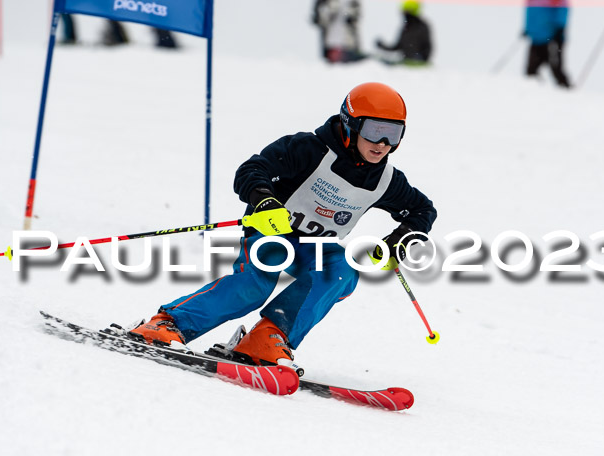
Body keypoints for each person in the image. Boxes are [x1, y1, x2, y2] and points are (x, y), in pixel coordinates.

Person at [129, 83, 437, 366]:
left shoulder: (385, 180)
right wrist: (264, 199)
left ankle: (266, 338)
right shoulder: (308, 149)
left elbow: (422, 210)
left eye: (394, 134)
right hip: (272, 232)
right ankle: (168, 324)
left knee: (342, 271)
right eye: (374, 131)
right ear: (350, 123)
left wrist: (401, 240)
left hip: (315, 247)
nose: (383, 143)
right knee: (254, 286)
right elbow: (252, 169)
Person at [523, 0, 572, 88]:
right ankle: (533, 93)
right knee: (531, 70)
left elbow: (562, 7)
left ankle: (567, 92)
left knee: (556, 69)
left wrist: (560, 27)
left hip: (552, 37)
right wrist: (528, 28)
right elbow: (530, 13)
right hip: (536, 38)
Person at [376, 1, 433, 65]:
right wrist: (383, 46)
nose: (405, 14)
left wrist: (422, 59)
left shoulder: (422, 27)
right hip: (405, 64)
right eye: (404, 11)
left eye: (407, 11)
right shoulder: (405, 28)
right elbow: (397, 46)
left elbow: (427, 47)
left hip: (418, 66)